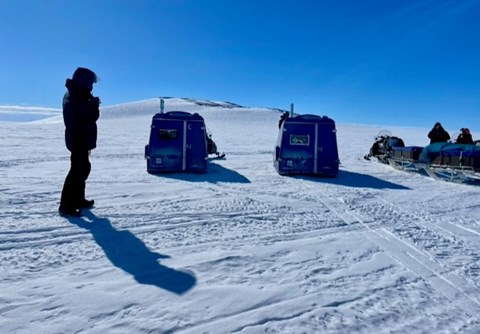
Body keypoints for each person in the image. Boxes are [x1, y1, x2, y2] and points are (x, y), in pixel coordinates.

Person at [59, 67, 101, 217]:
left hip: (80, 136)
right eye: (90, 82)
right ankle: (66, 205)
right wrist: (94, 106)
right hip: (78, 137)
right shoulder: (77, 94)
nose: (92, 86)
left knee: (83, 168)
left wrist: (92, 103)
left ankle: (78, 199)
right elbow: (87, 116)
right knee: (77, 170)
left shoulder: (77, 93)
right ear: (83, 81)